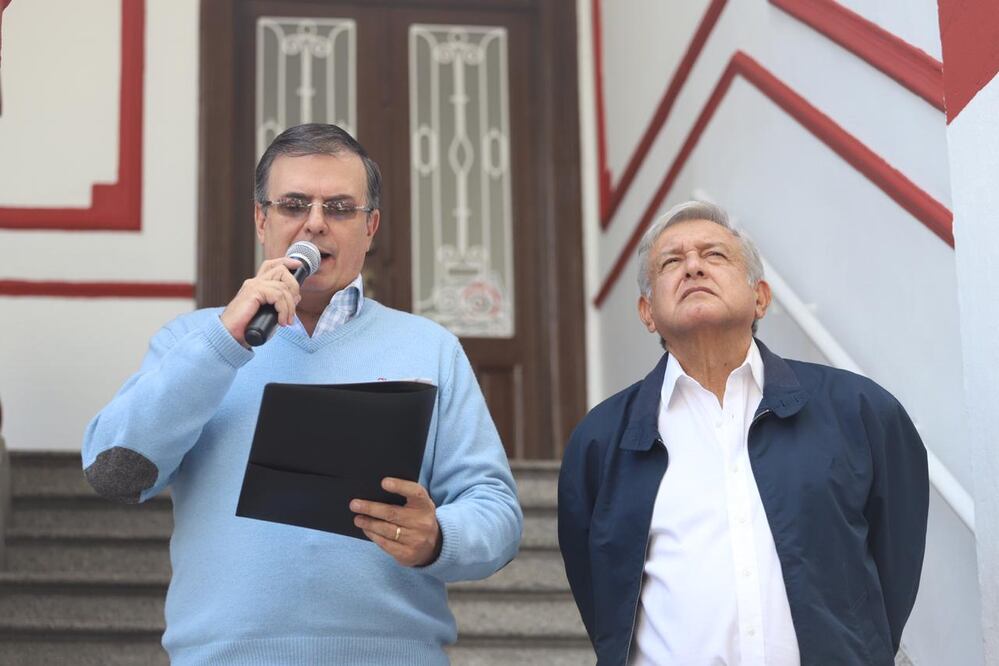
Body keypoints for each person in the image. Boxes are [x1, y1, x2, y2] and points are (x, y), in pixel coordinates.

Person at [82, 123, 523, 665]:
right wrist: (224, 342)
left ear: (371, 227)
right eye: (294, 204)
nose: (315, 223)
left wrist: (438, 537)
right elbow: (115, 473)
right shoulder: (191, 341)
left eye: (339, 207)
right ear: (261, 219)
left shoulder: (430, 348)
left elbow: (498, 513)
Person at [558, 201, 928, 666]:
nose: (692, 266)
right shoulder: (601, 440)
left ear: (761, 297)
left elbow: (894, 563)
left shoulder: (859, 410)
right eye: (671, 262)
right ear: (647, 311)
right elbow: (604, 598)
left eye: (715, 255)